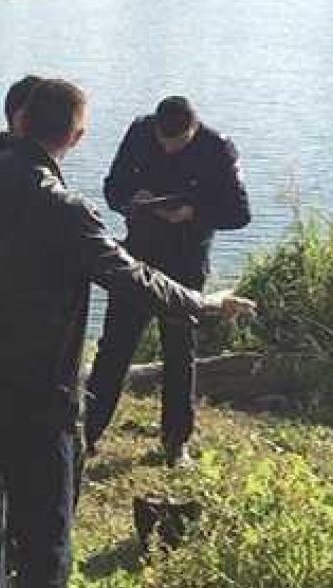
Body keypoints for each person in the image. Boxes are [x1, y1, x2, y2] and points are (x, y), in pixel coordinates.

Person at [0, 77, 254, 588]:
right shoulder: (65, 208)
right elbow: (132, 278)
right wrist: (204, 303)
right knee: (45, 543)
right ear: (77, 136)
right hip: (41, 403)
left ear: (20, 122)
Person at [84, 96, 251, 468]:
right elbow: (113, 188)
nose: (168, 148)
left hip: (187, 260)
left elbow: (240, 213)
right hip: (138, 254)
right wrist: (133, 199)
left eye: (177, 143)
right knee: (115, 346)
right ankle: (87, 434)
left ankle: (176, 442)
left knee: (179, 352)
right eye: (163, 141)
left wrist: (194, 211)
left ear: (193, 129)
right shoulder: (140, 133)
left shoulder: (218, 148)